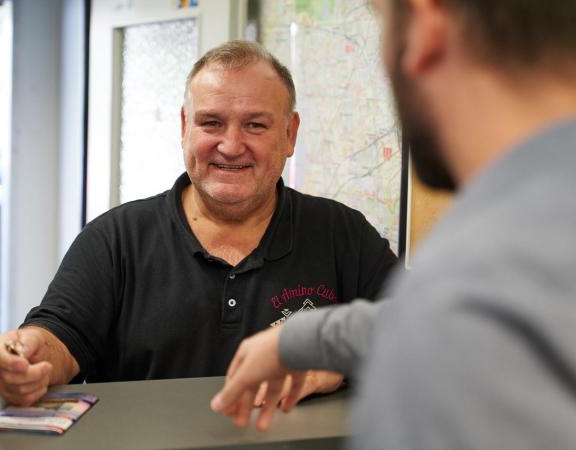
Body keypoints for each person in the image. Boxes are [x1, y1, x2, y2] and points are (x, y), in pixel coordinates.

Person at [211, 0, 576, 448]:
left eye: (381, 23)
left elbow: (445, 321)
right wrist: (301, 339)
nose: (231, 145)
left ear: (425, 23)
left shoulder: (472, 288)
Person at [0, 40, 397, 406]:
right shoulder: (114, 239)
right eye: (211, 123)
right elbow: (61, 335)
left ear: (290, 134)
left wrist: (339, 359)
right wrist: (30, 356)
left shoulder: (342, 235)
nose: (231, 145)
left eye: (255, 124)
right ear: (185, 128)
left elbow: (422, 330)